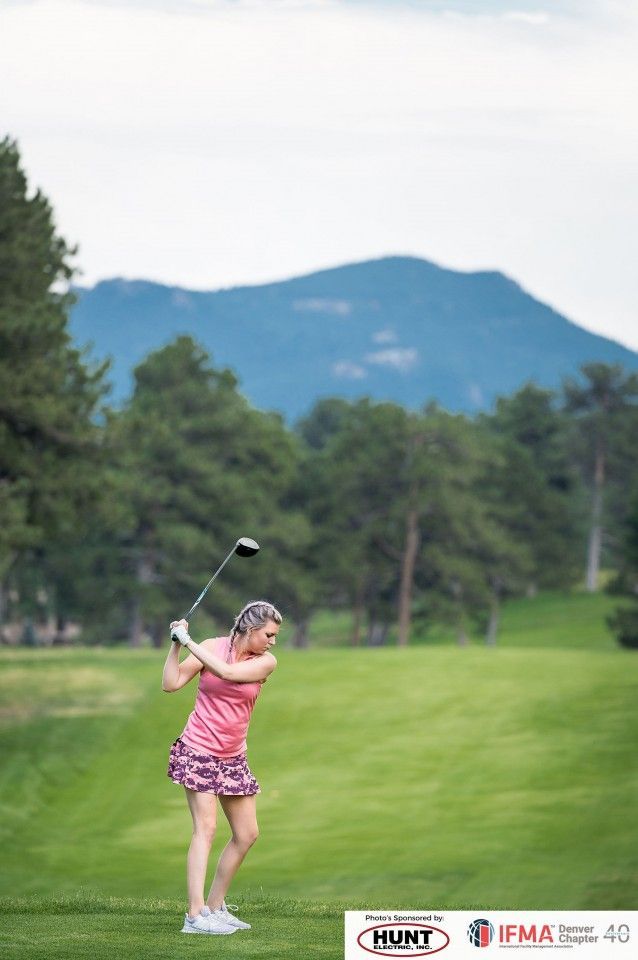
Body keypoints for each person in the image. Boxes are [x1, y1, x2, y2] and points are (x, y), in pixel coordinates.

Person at [162, 599, 282, 935]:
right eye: (269, 634)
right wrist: (175, 646)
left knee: (247, 834)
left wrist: (188, 642)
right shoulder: (212, 647)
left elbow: (227, 673)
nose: (273, 642)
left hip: (233, 757)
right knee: (207, 829)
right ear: (250, 628)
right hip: (198, 749)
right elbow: (170, 684)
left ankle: (214, 907)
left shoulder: (266, 662)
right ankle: (194, 916)